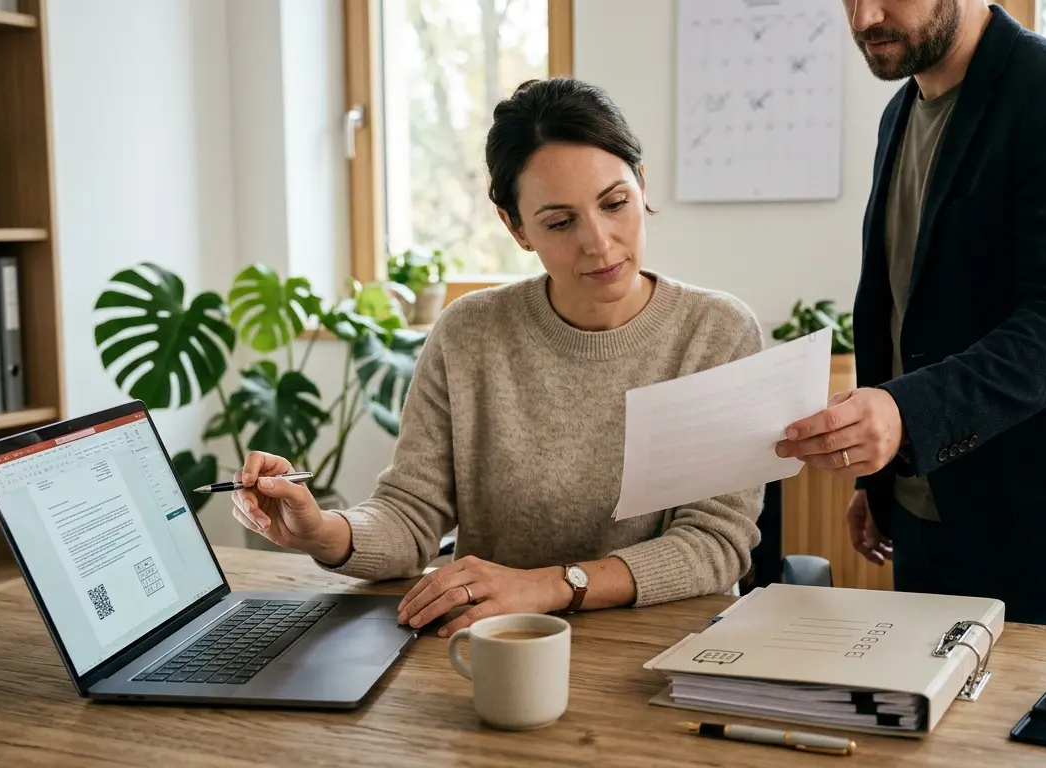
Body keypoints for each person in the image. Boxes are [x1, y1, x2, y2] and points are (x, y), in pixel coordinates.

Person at [230, 77, 765, 638]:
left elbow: (714, 543)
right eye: (560, 222)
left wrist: (549, 585)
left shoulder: (717, 334)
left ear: (641, 183)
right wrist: (323, 530)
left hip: (665, 646)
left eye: (615, 203)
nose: (600, 242)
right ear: (516, 228)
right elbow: (410, 513)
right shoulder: (470, 332)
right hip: (493, 647)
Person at [775, 0, 1046, 627]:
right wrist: (880, 484)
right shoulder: (900, 114)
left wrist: (906, 414)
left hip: (1039, 532)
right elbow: (901, 307)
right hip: (921, 514)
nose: (864, 15)